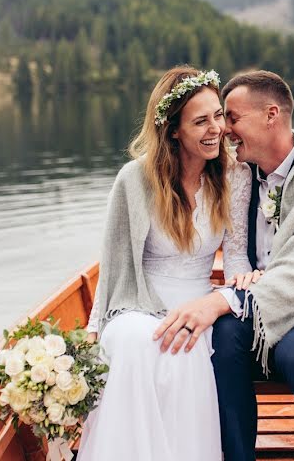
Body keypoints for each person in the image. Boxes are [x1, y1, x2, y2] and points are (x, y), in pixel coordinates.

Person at [153, 70, 294, 461]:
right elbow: (234, 245)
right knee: (223, 337)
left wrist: (222, 299)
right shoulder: (239, 172)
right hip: (254, 306)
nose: (224, 130)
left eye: (233, 118)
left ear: (271, 114)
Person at [77, 66, 258, 461]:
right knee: (132, 340)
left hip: (198, 303)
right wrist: (92, 333)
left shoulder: (235, 176)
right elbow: (114, 267)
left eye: (218, 117)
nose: (216, 130)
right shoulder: (133, 180)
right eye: (200, 121)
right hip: (137, 301)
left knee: (184, 343)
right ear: (174, 130)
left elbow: (237, 255)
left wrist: (236, 287)